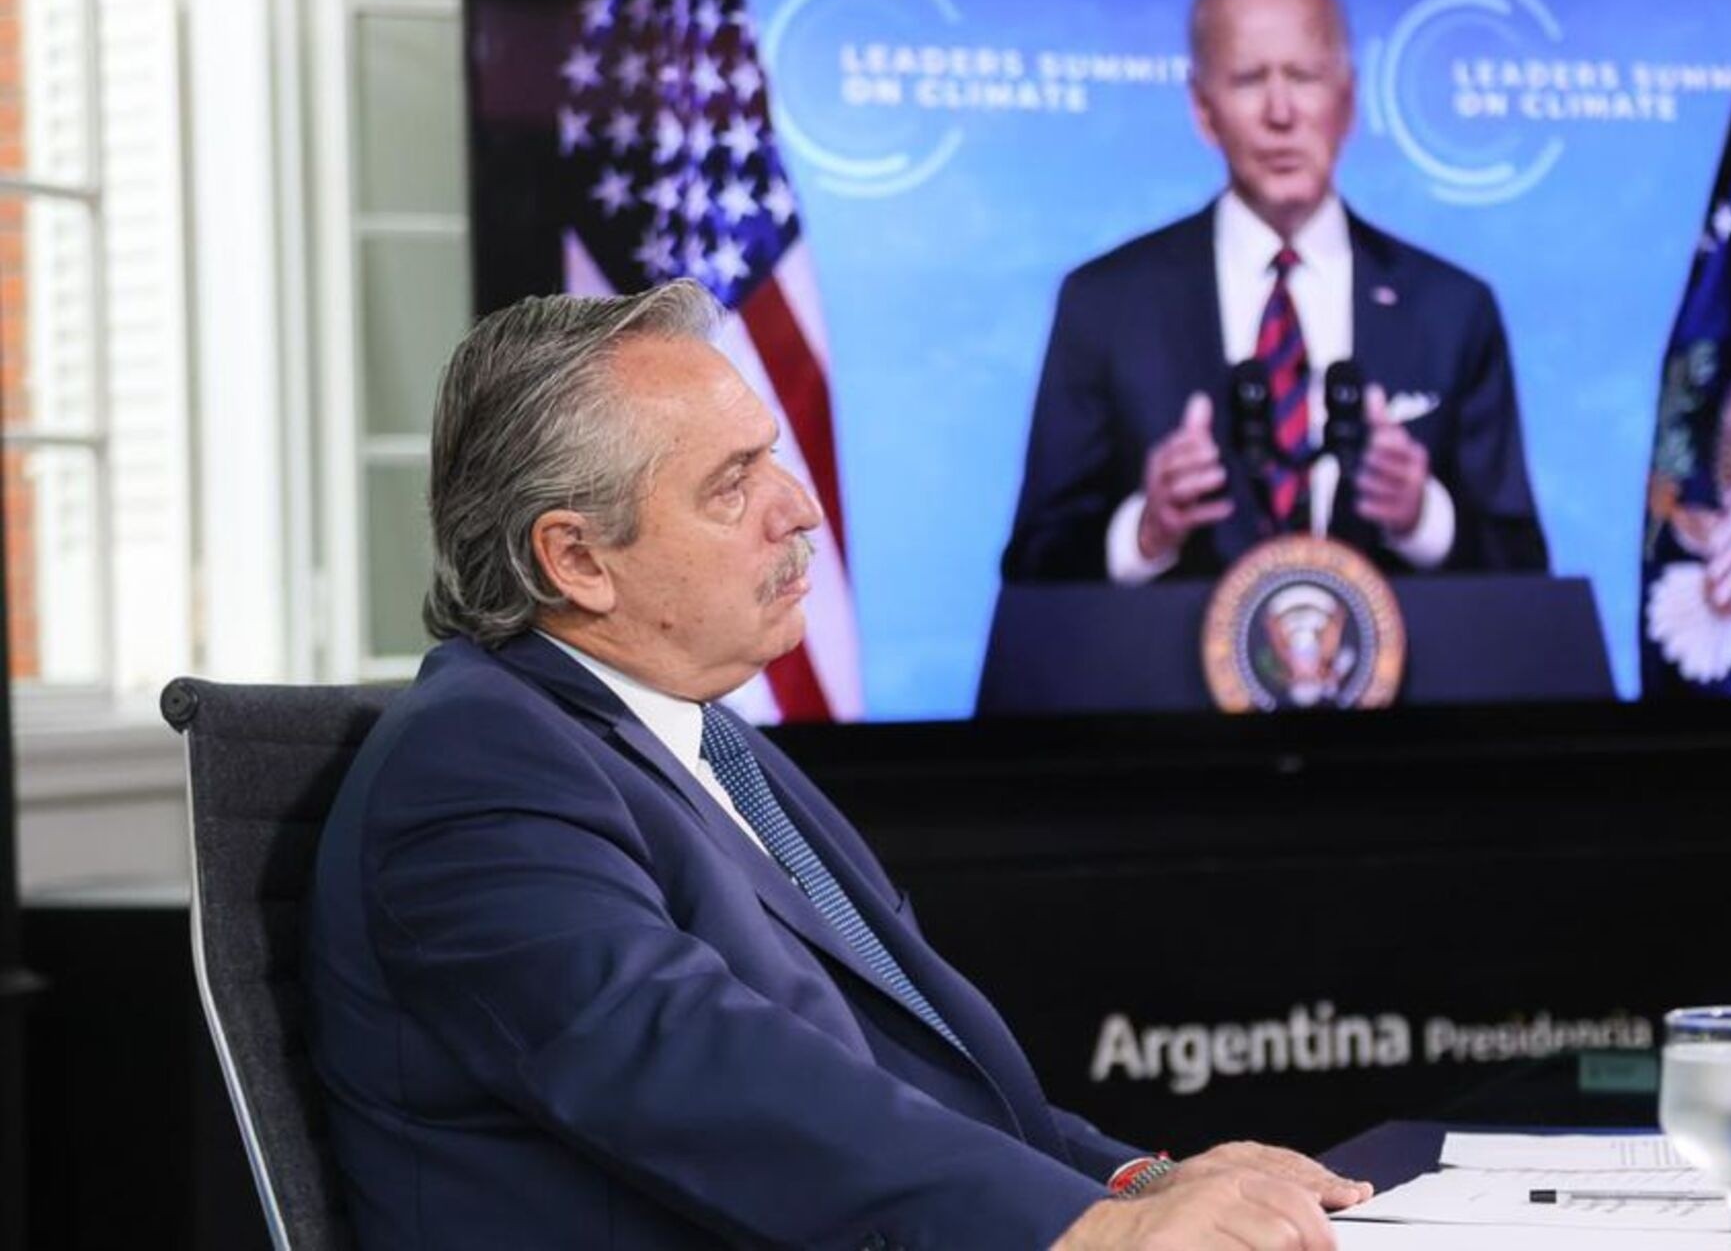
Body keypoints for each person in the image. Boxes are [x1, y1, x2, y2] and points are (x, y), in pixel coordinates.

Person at [305, 280, 1372, 1250]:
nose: (801, 506)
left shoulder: (708, 739)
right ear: (577, 558)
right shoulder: (477, 762)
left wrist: (1140, 1181)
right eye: (732, 484)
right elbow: (704, 1076)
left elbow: (924, 1083)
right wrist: (1083, 1232)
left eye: (771, 455)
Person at [1002, 0, 1548, 583]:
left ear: (1347, 101)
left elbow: (1523, 569)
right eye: (1249, 80)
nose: (1281, 112)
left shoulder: (1451, 308)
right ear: (1204, 110)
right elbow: (1033, 573)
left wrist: (1421, 518)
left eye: (1305, 76)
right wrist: (1148, 531)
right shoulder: (1106, 304)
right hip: (1164, 676)